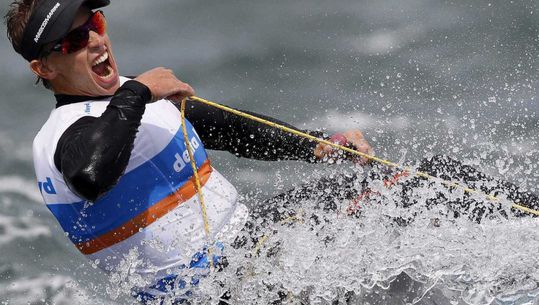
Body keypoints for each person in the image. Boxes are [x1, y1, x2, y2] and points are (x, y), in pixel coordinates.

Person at [4, 0, 374, 303]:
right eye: (74, 41)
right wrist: (138, 93)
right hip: (213, 291)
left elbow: (231, 129)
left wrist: (317, 145)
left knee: (395, 187)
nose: (96, 42)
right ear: (44, 67)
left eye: (96, 24)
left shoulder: (129, 100)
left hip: (254, 247)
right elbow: (91, 174)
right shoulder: (61, 136)